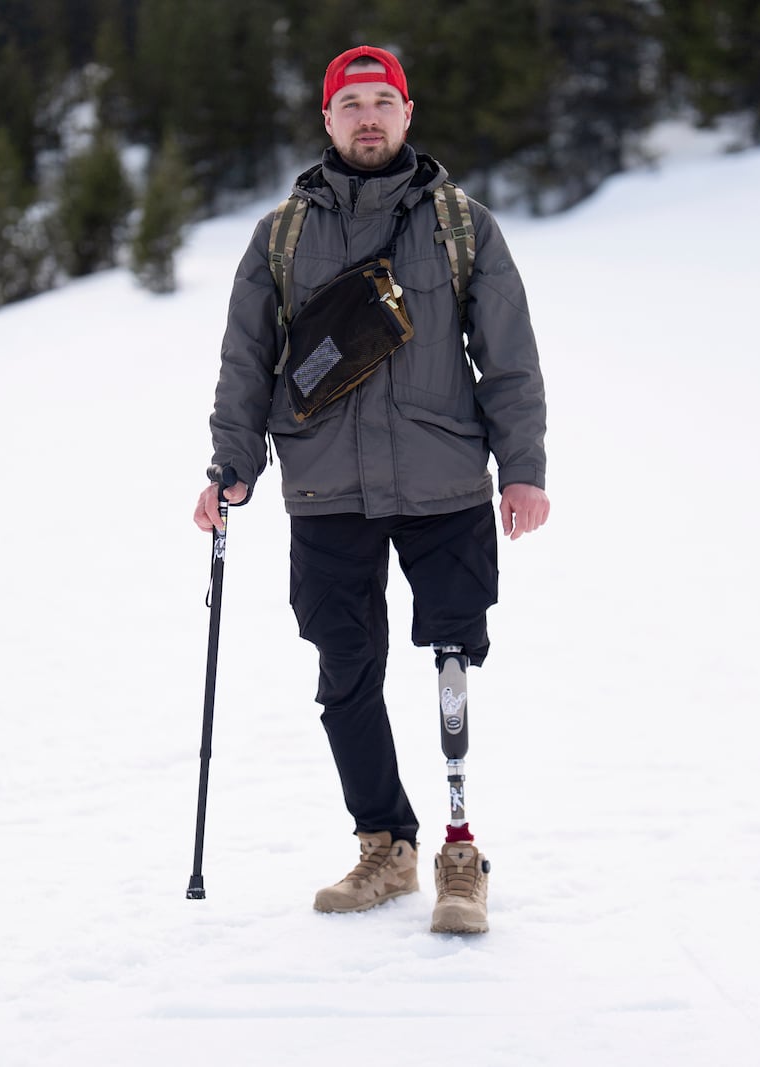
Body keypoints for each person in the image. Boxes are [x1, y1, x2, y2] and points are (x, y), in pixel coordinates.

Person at [192, 45, 549, 934]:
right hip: (326, 490)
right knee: (344, 671)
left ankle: (459, 855)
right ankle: (385, 843)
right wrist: (231, 466)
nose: (366, 118)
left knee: (453, 658)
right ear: (326, 120)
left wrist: (525, 467)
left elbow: (509, 360)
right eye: (349, 104)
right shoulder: (280, 235)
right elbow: (246, 361)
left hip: (445, 484)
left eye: (381, 102)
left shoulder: (463, 225)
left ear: (407, 113)